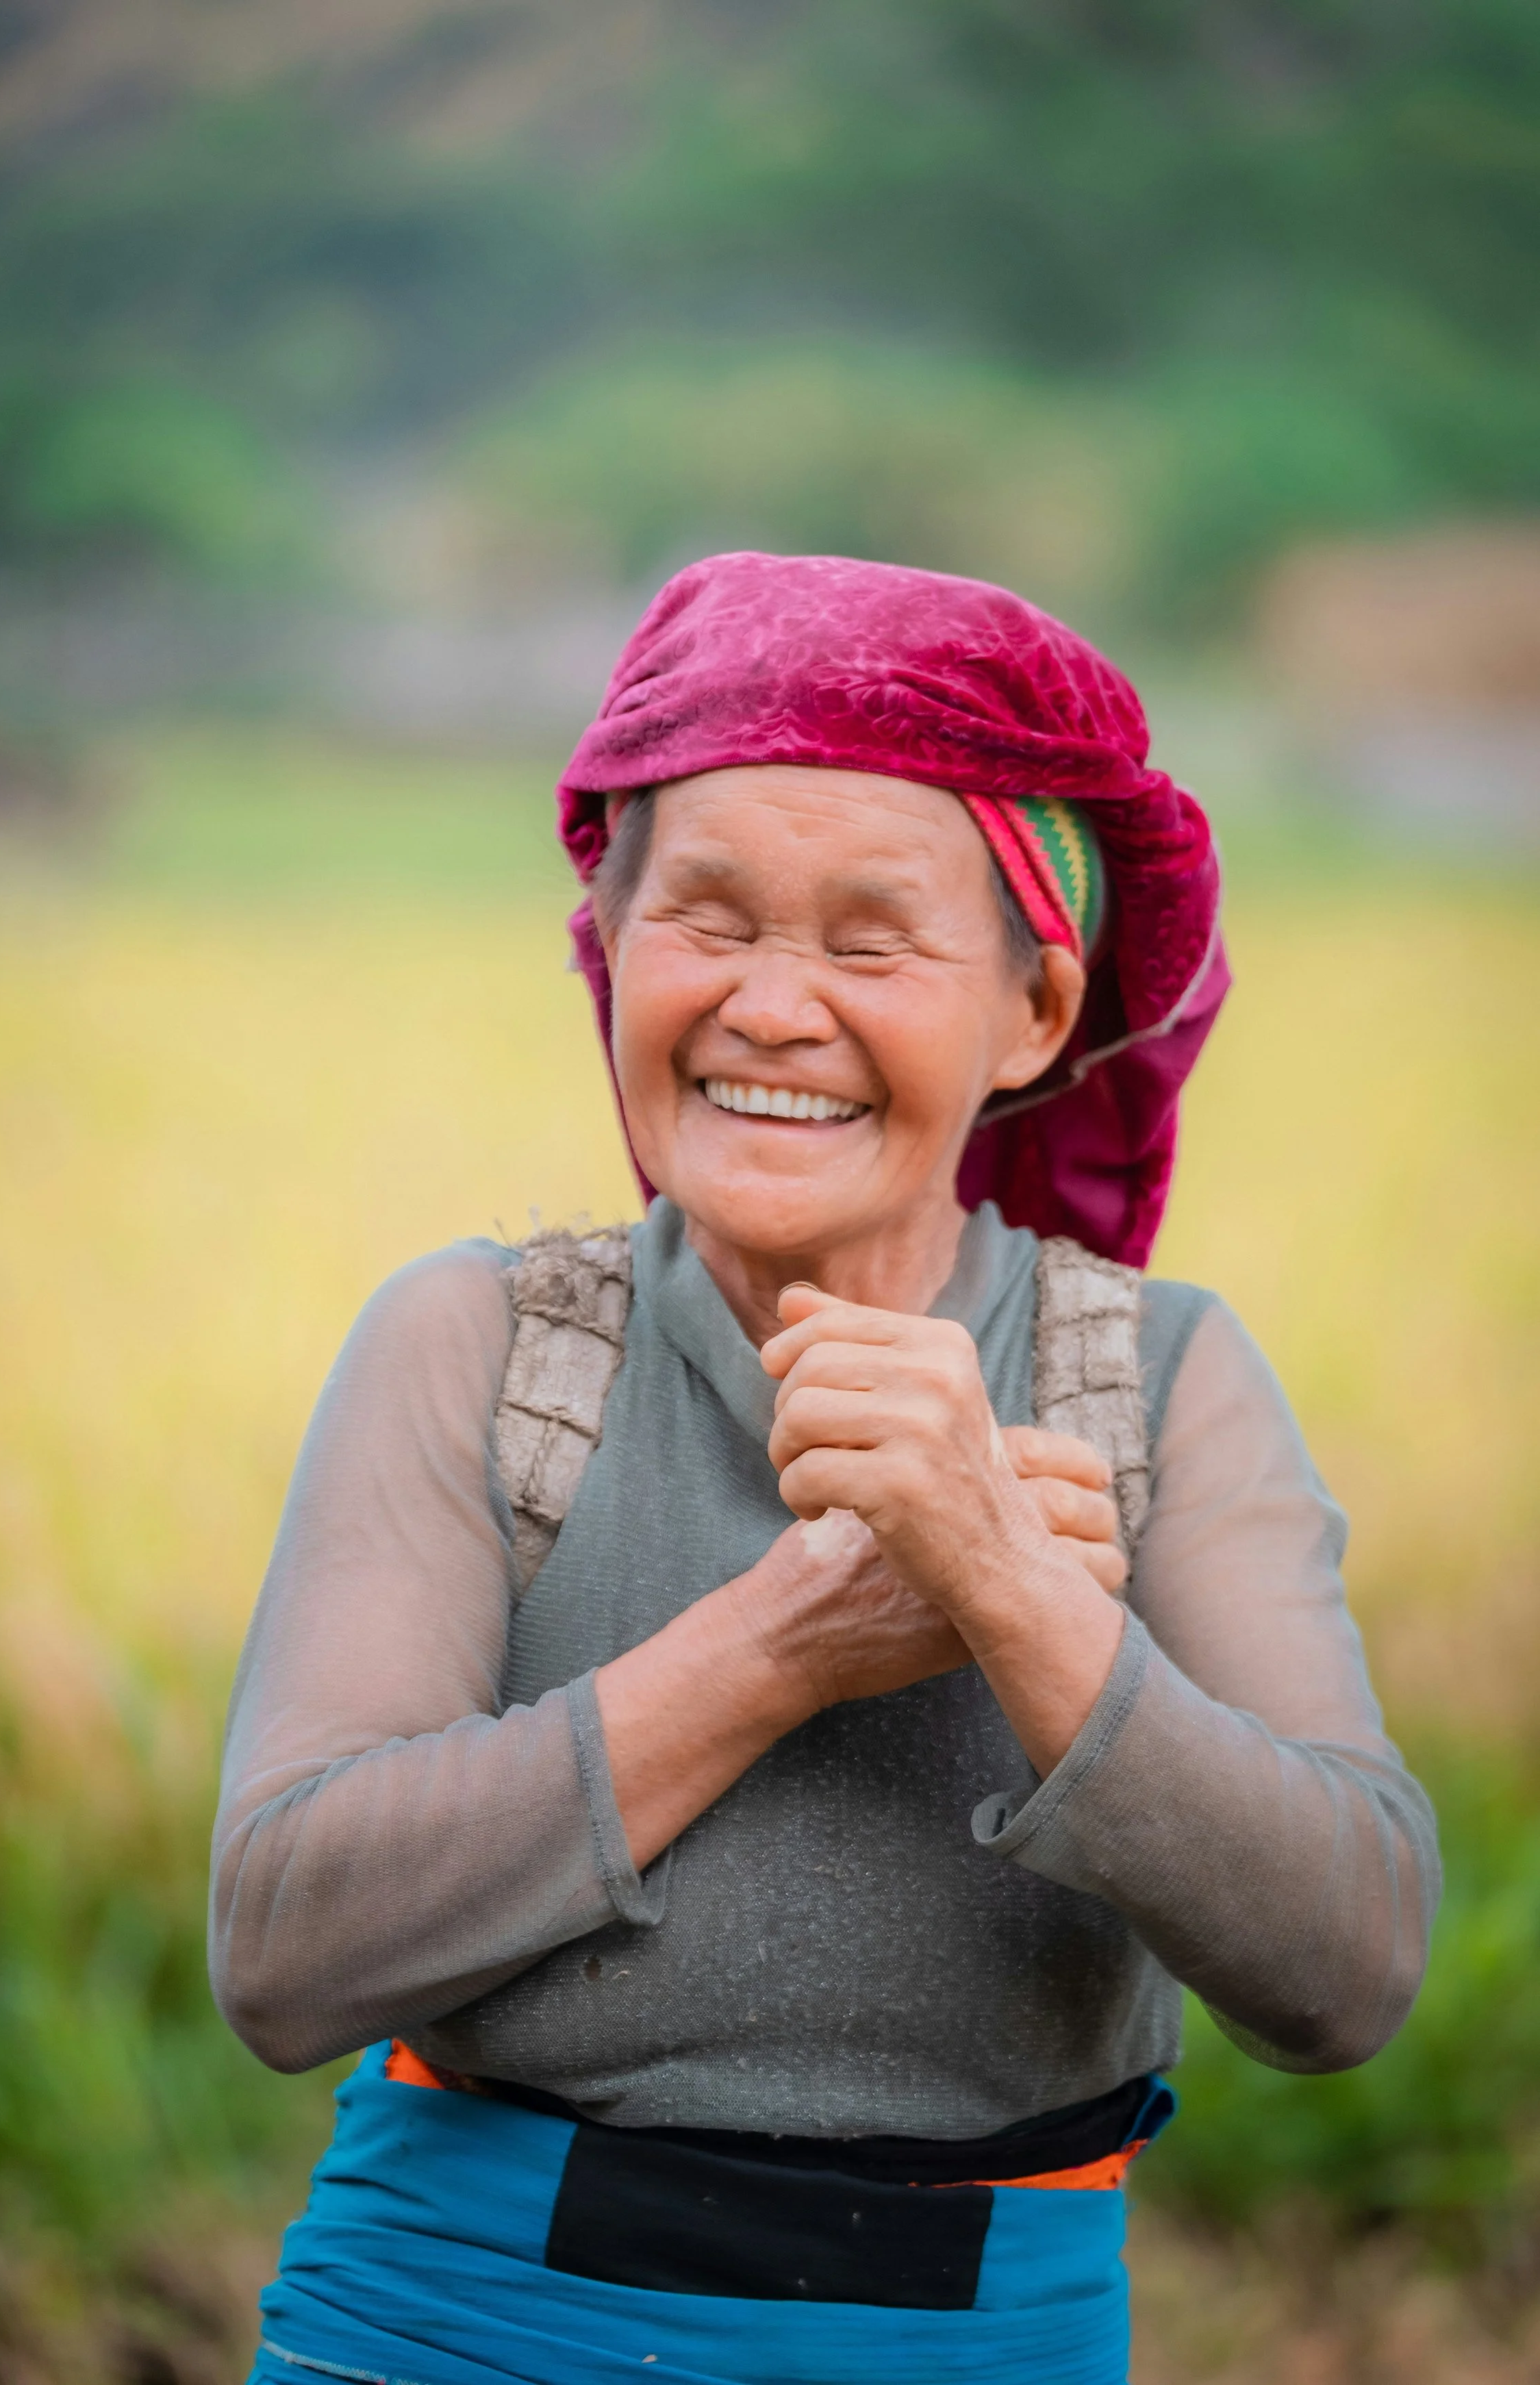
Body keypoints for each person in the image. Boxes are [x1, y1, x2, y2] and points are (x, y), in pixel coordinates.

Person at [211, 553, 1439, 2385]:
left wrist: (1008, 1587)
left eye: (870, 945)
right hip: (453, 2327)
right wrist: (786, 1639)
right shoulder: (482, 1345)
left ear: (1034, 1010)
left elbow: (1346, 1970)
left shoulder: (1157, 1381)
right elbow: (283, 1950)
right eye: (705, 919)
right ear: (609, 946)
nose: (774, 1008)